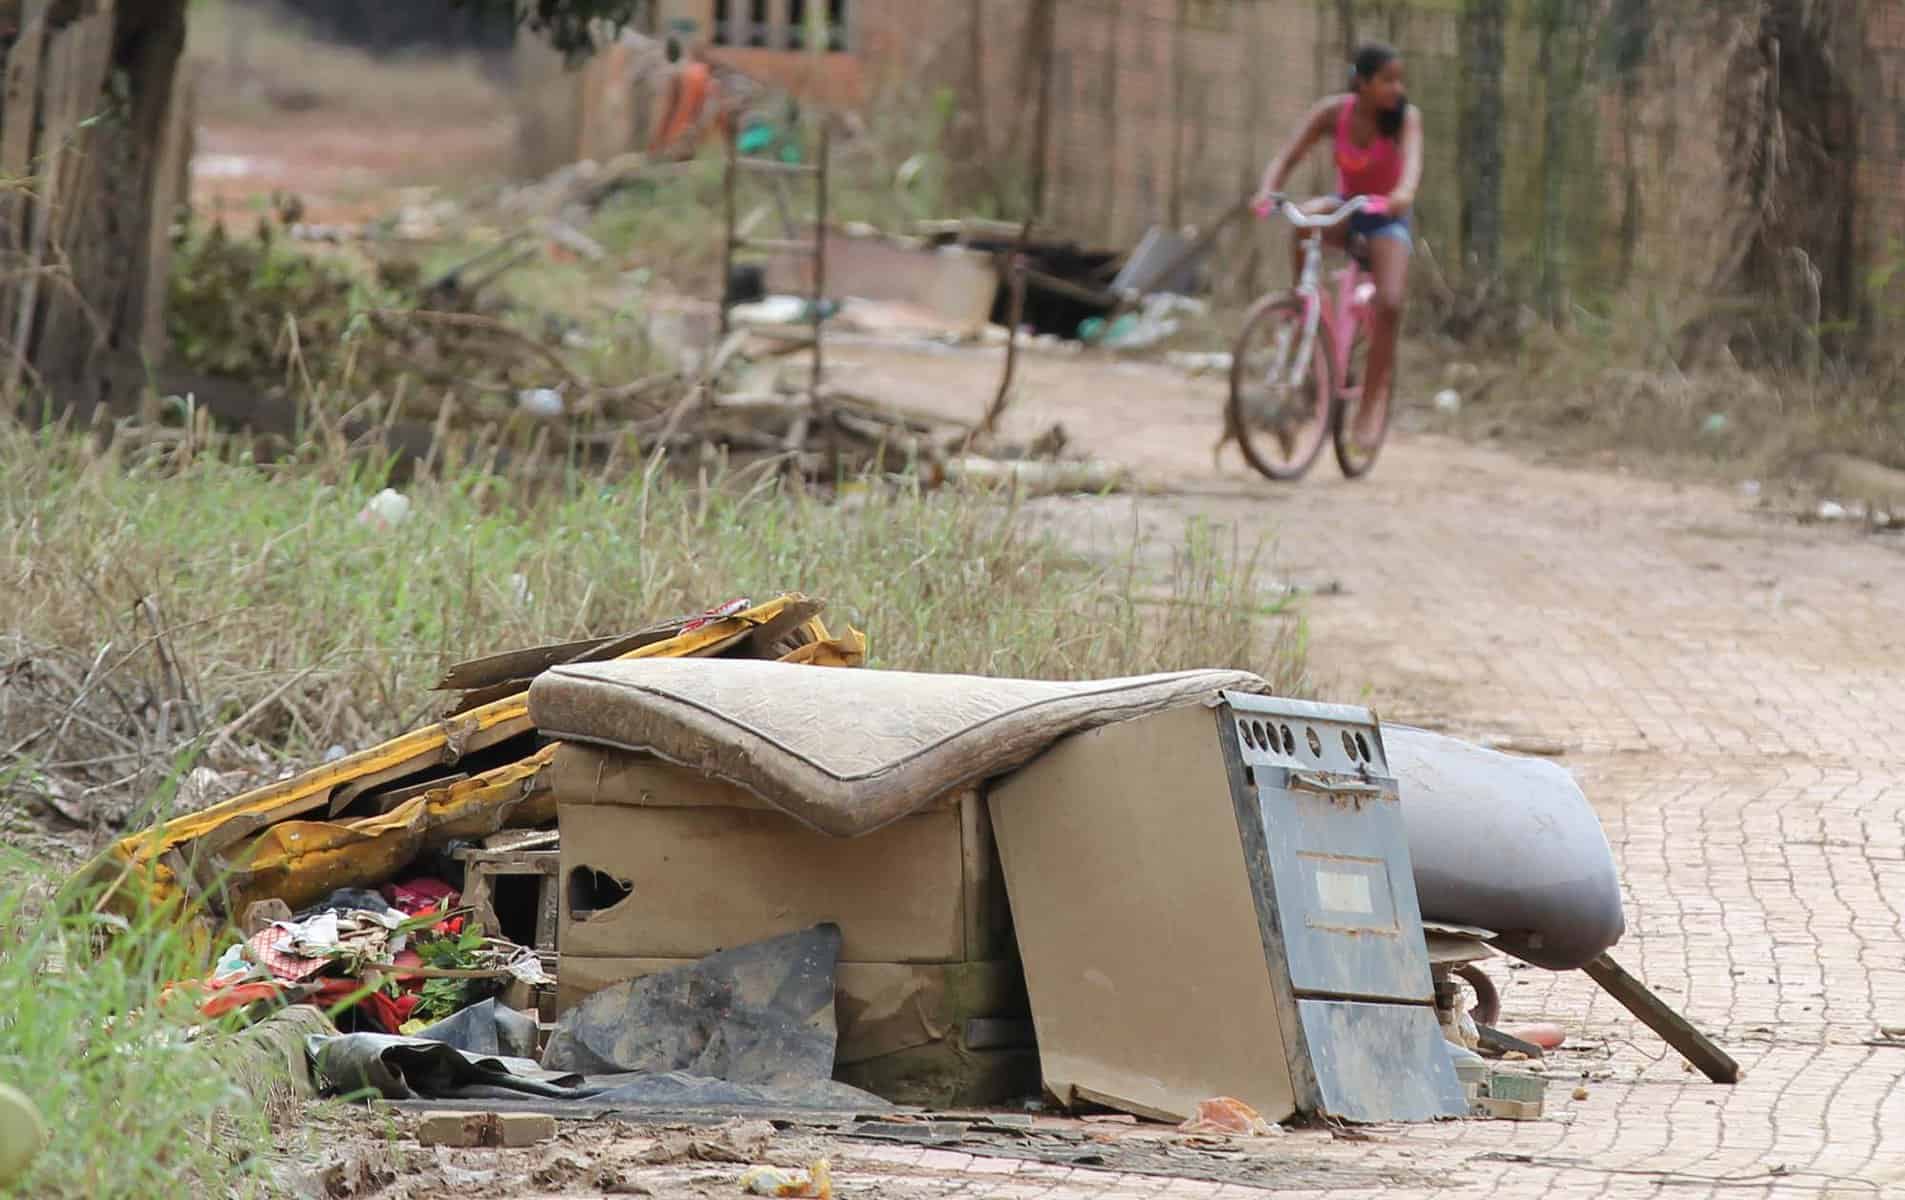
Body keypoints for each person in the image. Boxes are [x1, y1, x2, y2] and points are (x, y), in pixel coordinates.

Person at [1252, 42, 1423, 445]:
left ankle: (1369, 405)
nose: (1397, 89)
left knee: (1391, 304)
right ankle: (1301, 304)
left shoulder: (1404, 119)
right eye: (1387, 80)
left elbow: (1412, 165)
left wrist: (1403, 192)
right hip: (1346, 208)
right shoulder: (1333, 114)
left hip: (1387, 217)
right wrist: (1267, 190)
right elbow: (1288, 156)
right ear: (1361, 83)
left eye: (1399, 80)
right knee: (1303, 221)